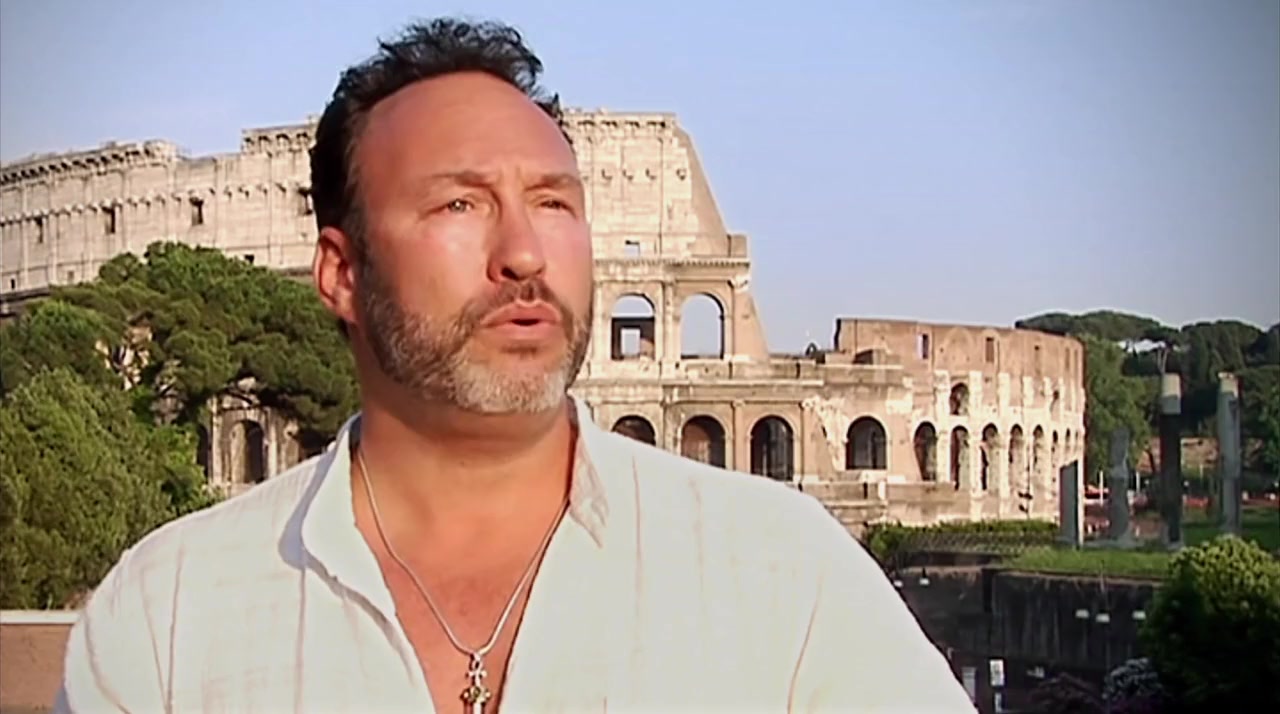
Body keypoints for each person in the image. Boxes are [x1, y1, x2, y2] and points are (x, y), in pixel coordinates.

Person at [57, 17, 975, 713]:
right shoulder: (164, 618)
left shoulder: (789, 574)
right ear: (340, 273)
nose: (525, 253)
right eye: (459, 205)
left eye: (554, 203)